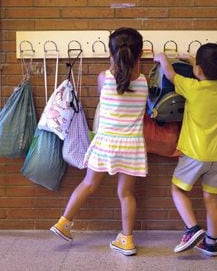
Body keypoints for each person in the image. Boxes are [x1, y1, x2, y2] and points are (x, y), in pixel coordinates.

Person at [50, 27, 148, 256]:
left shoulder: (104, 78)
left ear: (110, 54)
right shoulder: (143, 82)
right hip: (131, 146)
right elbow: (133, 73)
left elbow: (113, 80)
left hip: (105, 143)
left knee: (89, 184)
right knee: (126, 194)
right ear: (139, 56)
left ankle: (64, 221)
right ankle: (127, 240)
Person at [154, 43, 217, 257]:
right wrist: (191, 60)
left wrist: (162, 59)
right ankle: (211, 243)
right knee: (212, 199)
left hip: (195, 154)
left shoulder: (192, 88)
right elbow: (207, 74)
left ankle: (192, 228)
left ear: (198, 71)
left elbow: (170, 75)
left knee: (177, 189)